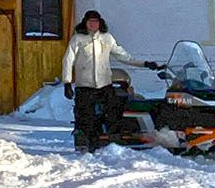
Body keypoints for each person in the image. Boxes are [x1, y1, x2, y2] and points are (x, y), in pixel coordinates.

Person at [61, 9, 156, 151]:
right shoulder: (77, 39)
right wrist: (67, 82)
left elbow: (123, 56)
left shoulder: (107, 38)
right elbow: (68, 61)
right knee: (86, 117)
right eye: (90, 21)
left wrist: (145, 63)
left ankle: (112, 143)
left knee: (114, 111)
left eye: (95, 21)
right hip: (85, 86)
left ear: (100, 23)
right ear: (85, 23)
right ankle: (87, 145)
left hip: (104, 85)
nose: (93, 24)